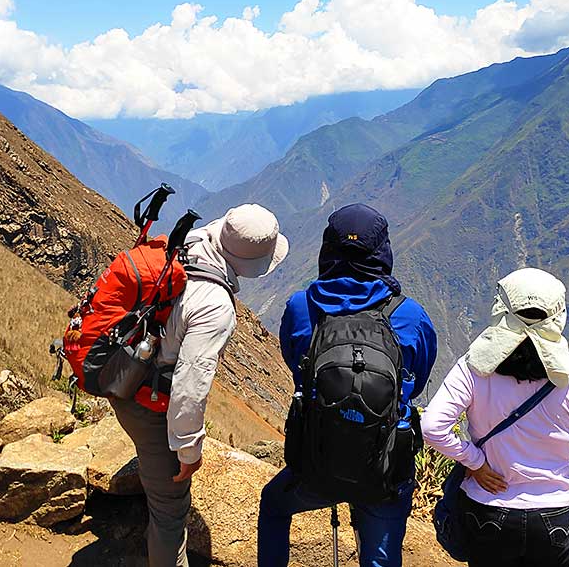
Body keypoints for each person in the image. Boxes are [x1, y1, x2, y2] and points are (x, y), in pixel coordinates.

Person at [258, 203, 438, 567]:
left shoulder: (300, 307)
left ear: (328, 249)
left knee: (274, 505)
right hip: (384, 471)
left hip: (316, 463)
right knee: (381, 559)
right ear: (382, 252)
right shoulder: (410, 316)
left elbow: (297, 365)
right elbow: (415, 382)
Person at [110, 203, 288, 567]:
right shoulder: (215, 306)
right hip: (147, 398)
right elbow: (190, 387)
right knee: (171, 512)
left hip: (120, 368)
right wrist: (188, 453)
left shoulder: (188, 242)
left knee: (158, 486)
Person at [421, 267, 569, 567]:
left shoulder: (473, 369)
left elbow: (431, 427)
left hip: (488, 511)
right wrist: (555, 447)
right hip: (554, 515)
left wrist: (476, 462)